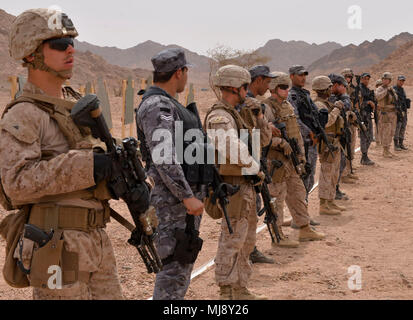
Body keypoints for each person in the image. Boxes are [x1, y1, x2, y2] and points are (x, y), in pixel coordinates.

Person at [0, 8, 124, 300]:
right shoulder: (24, 114)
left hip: (96, 240)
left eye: (72, 43)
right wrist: (89, 165)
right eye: (58, 44)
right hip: (56, 245)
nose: (70, 49)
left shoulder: (78, 104)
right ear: (31, 53)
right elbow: (16, 182)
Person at [135, 48, 205, 300]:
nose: (187, 77)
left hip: (177, 200)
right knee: (174, 270)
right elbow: (164, 156)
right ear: (179, 72)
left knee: (180, 267)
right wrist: (187, 197)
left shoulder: (167, 103)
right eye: (186, 72)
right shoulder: (158, 105)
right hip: (172, 202)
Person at [204, 65, 269, 300]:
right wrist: (255, 167)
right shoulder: (219, 116)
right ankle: (227, 290)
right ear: (235, 87)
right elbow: (230, 146)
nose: (246, 91)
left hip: (244, 184)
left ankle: (240, 286)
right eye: (244, 87)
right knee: (232, 239)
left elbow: (258, 140)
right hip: (232, 186)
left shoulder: (237, 113)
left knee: (245, 239)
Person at [263, 72, 325, 244]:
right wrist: (279, 142)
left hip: (291, 159)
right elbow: (261, 135)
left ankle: (304, 228)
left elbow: (296, 133)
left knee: (298, 193)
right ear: (273, 88)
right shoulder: (266, 108)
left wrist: (301, 157)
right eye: (283, 87)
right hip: (275, 161)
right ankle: (278, 236)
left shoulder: (288, 106)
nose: (286, 90)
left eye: (287, 86)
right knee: (277, 199)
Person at [246, 65, 276, 264]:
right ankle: (248, 251)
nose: (268, 85)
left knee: (251, 209)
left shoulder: (245, 103)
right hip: (247, 163)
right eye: (267, 81)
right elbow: (264, 139)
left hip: (249, 162)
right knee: (248, 211)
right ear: (258, 80)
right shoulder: (253, 105)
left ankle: (250, 249)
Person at [312, 76, 346, 216]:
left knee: (334, 173)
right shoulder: (319, 105)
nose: (331, 90)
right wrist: (337, 108)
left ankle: (330, 200)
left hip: (334, 142)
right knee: (327, 173)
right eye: (329, 88)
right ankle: (323, 204)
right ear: (324, 89)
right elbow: (326, 122)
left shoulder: (326, 103)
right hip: (327, 144)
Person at [287, 66, 319, 196]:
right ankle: (301, 213)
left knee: (310, 176)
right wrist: (309, 132)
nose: (303, 78)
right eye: (300, 75)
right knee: (304, 176)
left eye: (304, 75)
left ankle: (303, 210)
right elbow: (295, 119)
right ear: (292, 76)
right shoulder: (291, 96)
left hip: (312, 141)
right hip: (303, 143)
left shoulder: (305, 94)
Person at [328, 74, 357, 200]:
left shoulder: (337, 97)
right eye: (342, 86)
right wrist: (345, 97)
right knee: (334, 166)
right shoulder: (331, 98)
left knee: (342, 162)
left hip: (340, 134)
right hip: (332, 137)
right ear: (334, 85)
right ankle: (332, 191)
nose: (345, 88)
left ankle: (336, 187)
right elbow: (346, 105)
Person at [375, 72, 398, 158]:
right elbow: (377, 96)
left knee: (391, 131)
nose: (385, 81)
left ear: (390, 81)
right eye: (384, 79)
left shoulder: (391, 89)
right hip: (385, 113)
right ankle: (385, 150)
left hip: (392, 113)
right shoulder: (380, 89)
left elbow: (396, 99)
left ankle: (388, 149)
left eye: (387, 79)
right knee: (385, 131)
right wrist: (386, 91)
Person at [358, 73, 376, 165]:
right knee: (364, 137)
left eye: (368, 79)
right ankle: (364, 156)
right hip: (362, 116)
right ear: (361, 79)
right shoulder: (359, 90)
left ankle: (364, 156)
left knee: (369, 136)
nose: (366, 80)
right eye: (364, 78)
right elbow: (358, 104)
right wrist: (368, 102)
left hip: (368, 115)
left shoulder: (367, 90)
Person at [393, 75, 410, 151]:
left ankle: (401, 143)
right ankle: (396, 145)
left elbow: (403, 100)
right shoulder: (394, 89)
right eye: (400, 81)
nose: (401, 82)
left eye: (403, 81)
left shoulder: (402, 90)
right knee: (398, 127)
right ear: (397, 81)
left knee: (403, 127)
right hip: (397, 111)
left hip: (404, 111)